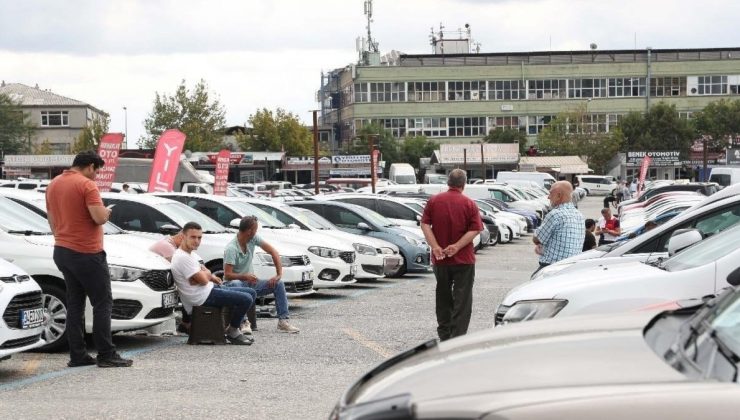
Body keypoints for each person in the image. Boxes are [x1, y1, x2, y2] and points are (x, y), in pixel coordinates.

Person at [46, 150, 133, 368]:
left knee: (75, 304)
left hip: (62, 250)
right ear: (90, 166)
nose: (96, 175)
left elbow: (51, 218)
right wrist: (107, 213)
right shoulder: (86, 185)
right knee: (103, 303)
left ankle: (78, 355)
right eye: (96, 171)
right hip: (87, 252)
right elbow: (98, 217)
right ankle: (106, 354)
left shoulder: (54, 183)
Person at [420, 169, 483, 341]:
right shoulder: (469, 203)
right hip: (463, 259)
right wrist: (457, 246)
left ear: (448, 182)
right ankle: (458, 337)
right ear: (464, 183)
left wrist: (435, 247)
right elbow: (476, 228)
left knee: (443, 296)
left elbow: (425, 224)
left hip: (440, 260)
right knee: (462, 300)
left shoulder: (434, 201)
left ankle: (445, 334)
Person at [170, 222, 256, 345]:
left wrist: (204, 274)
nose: (197, 241)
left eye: (199, 237)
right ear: (183, 236)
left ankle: (231, 326)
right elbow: (204, 279)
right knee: (246, 298)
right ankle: (233, 330)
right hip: (201, 298)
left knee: (251, 293)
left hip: (208, 290)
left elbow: (203, 276)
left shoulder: (191, 254)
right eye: (193, 237)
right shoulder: (182, 257)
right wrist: (205, 275)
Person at [223, 215, 299, 334]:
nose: (256, 232)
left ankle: (283, 321)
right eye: (256, 230)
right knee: (236, 283)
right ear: (249, 231)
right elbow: (227, 275)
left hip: (250, 283)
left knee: (278, 284)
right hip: (233, 285)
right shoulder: (231, 249)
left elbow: (273, 252)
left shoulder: (253, 239)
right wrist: (245, 276)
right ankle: (244, 323)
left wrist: (278, 274)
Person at [532, 181, 584, 273]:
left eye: (550, 193)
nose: (548, 197)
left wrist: (537, 238)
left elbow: (537, 239)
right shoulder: (579, 215)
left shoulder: (555, 214)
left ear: (559, 196)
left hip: (552, 268)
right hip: (572, 267)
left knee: (531, 285)